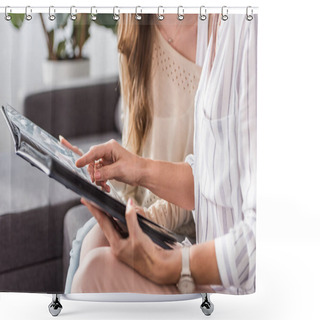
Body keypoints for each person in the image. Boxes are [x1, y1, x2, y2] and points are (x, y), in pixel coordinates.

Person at [71, 13, 257, 295]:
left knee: (96, 268)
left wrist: (169, 264)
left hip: (231, 282)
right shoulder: (217, 23)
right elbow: (208, 173)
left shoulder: (249, 31)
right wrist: (128, 170)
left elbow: (259, 241)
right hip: (205, 254)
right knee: (93, 244)